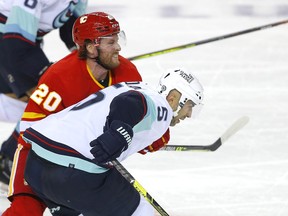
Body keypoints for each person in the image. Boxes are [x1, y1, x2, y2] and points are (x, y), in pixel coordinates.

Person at [2, 11, 170, 216]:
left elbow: (139, 115)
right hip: (36, 155)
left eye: (118, 39)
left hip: (82, 161)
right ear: (91, 48)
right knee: (25, 210)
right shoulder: (59, 76)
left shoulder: (126, 70)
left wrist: (150, 137)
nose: (118, 47)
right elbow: (29, 131)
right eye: (110, 42)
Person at [21, 68, 204, 216]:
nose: (188, 114)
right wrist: (119, 132)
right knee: (143, 212)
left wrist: (120, 134)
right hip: (73, 172)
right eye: (190, 107)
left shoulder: (133, 85)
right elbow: (130, 103)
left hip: (36, 166)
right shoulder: (161, 104)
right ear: (174, 98)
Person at [0, 0, 88, 184]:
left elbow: (73, 26)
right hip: (11, 43)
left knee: (44, 100)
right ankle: (8, 160)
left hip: (22, 42)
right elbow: (15, 44)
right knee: (53, 99)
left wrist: (90, 55)